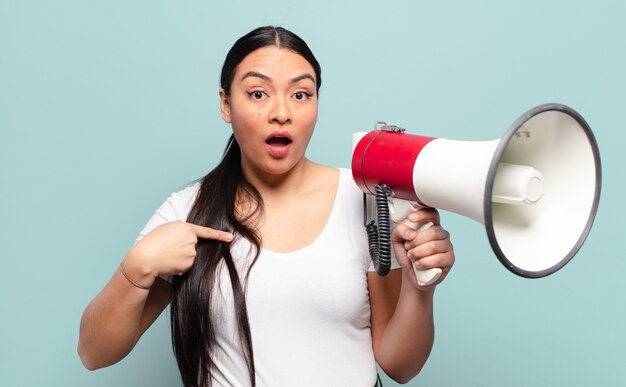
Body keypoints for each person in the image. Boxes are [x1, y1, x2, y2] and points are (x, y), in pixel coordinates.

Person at [78, 26, 455, 387]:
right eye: (258, 94)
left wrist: (420, 288)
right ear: (226, 104)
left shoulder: (364, 199)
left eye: (301, 94)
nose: (281, 112)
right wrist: (137, 267)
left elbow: (399, 365)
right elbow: (94, 353)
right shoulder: (187, 211)